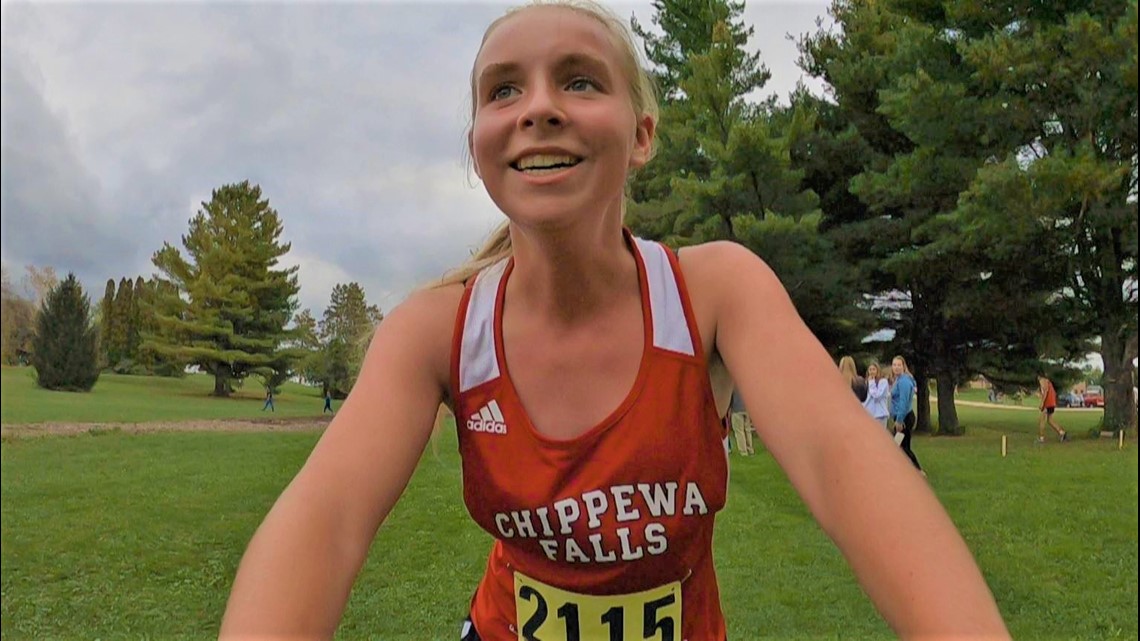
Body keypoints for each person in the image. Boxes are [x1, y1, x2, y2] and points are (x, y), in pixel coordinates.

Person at [218, 3, 1009, 640]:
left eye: (579, 81)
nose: (538, 109)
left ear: (642, 135)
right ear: (478, 145)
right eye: (503, 91)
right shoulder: (434, 331)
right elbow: (325, 518)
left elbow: (846, 464)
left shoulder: (717, 291)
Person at [889, 356, 923, 474]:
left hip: (904, 419)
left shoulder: (904, 381)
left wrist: (899, 420)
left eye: (899, 365)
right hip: (902, 417)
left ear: (904, 366)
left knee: (902, 446)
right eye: (894, 365)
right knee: (900, 446)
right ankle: (904, 470)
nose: (896, 367)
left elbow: (903, 402)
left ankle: (918, 470)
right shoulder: (898, 380)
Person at [1036, 375, 1068, 443]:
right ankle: (1062, 433)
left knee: (1042, 420)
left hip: (1047, 404)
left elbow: (1045, 392)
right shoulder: (1048, 382)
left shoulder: (1043, 381)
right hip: (1051, 403)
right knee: (1050, 420)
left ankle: (1041, 438)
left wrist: (1042, 403)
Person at [863, 361, 890, 431]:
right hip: (869, 414)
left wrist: (872, 383)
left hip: (880, 415)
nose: (872, 372)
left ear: (878, 370)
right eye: (870, 370)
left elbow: (877, 396)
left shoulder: (883, 382)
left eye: (874, 369)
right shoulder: (866, 382)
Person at [729, 389, 754, 456]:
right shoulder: (744, 385)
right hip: (746, 409)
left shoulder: (733, 386)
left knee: (739, 431)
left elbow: (730, 399)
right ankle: (750, 449)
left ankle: (743, 451)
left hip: (736, 410)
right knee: (748, 430)